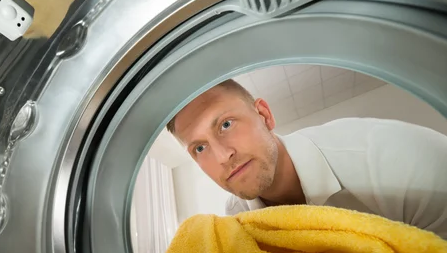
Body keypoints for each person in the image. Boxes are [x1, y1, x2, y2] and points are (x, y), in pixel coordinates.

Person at [166, 79, 447, 238]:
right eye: (199, 148)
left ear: (264, 115)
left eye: (226, 124)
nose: (223, 156)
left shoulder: (393, 159)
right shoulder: (237, 218)